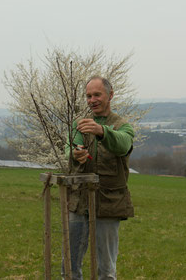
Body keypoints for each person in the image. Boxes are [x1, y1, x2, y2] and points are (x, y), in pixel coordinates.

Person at [63, 76, 134, 280]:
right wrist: (75, 153)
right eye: (88, 96)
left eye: (97, 95)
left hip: (109, 203)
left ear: (110, 95)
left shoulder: (123, 126)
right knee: (70, 265)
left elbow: (123, 145)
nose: (92, 100)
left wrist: (102, 131)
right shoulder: (81, 125)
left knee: (106, 270)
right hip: (78, 201)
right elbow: (71, 147)